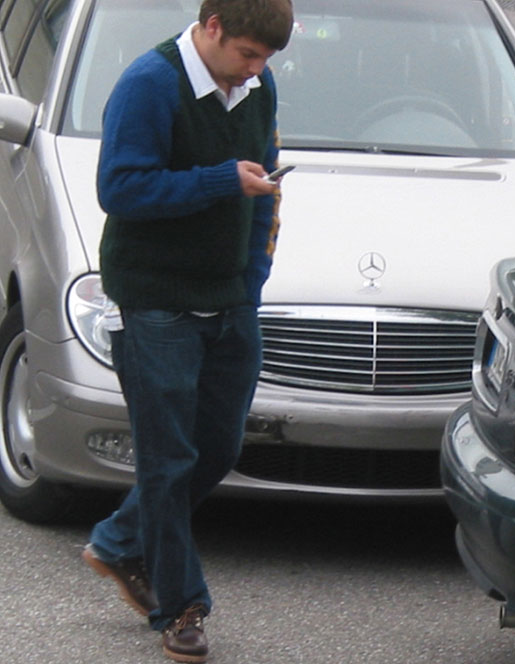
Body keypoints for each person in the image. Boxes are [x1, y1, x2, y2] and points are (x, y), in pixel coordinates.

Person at [80, 1, 293, 661]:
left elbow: (264, 188)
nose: (252, 72)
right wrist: (219, 181)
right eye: (246, 56)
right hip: (155, 305)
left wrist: (252, 277)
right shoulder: (149, 83)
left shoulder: (257, 88)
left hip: (231, 301)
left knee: (217, 450)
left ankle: (118, 543)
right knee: (168, 466)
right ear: (211, 28)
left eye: (264, 61)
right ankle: (182, 608)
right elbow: (120, 189)